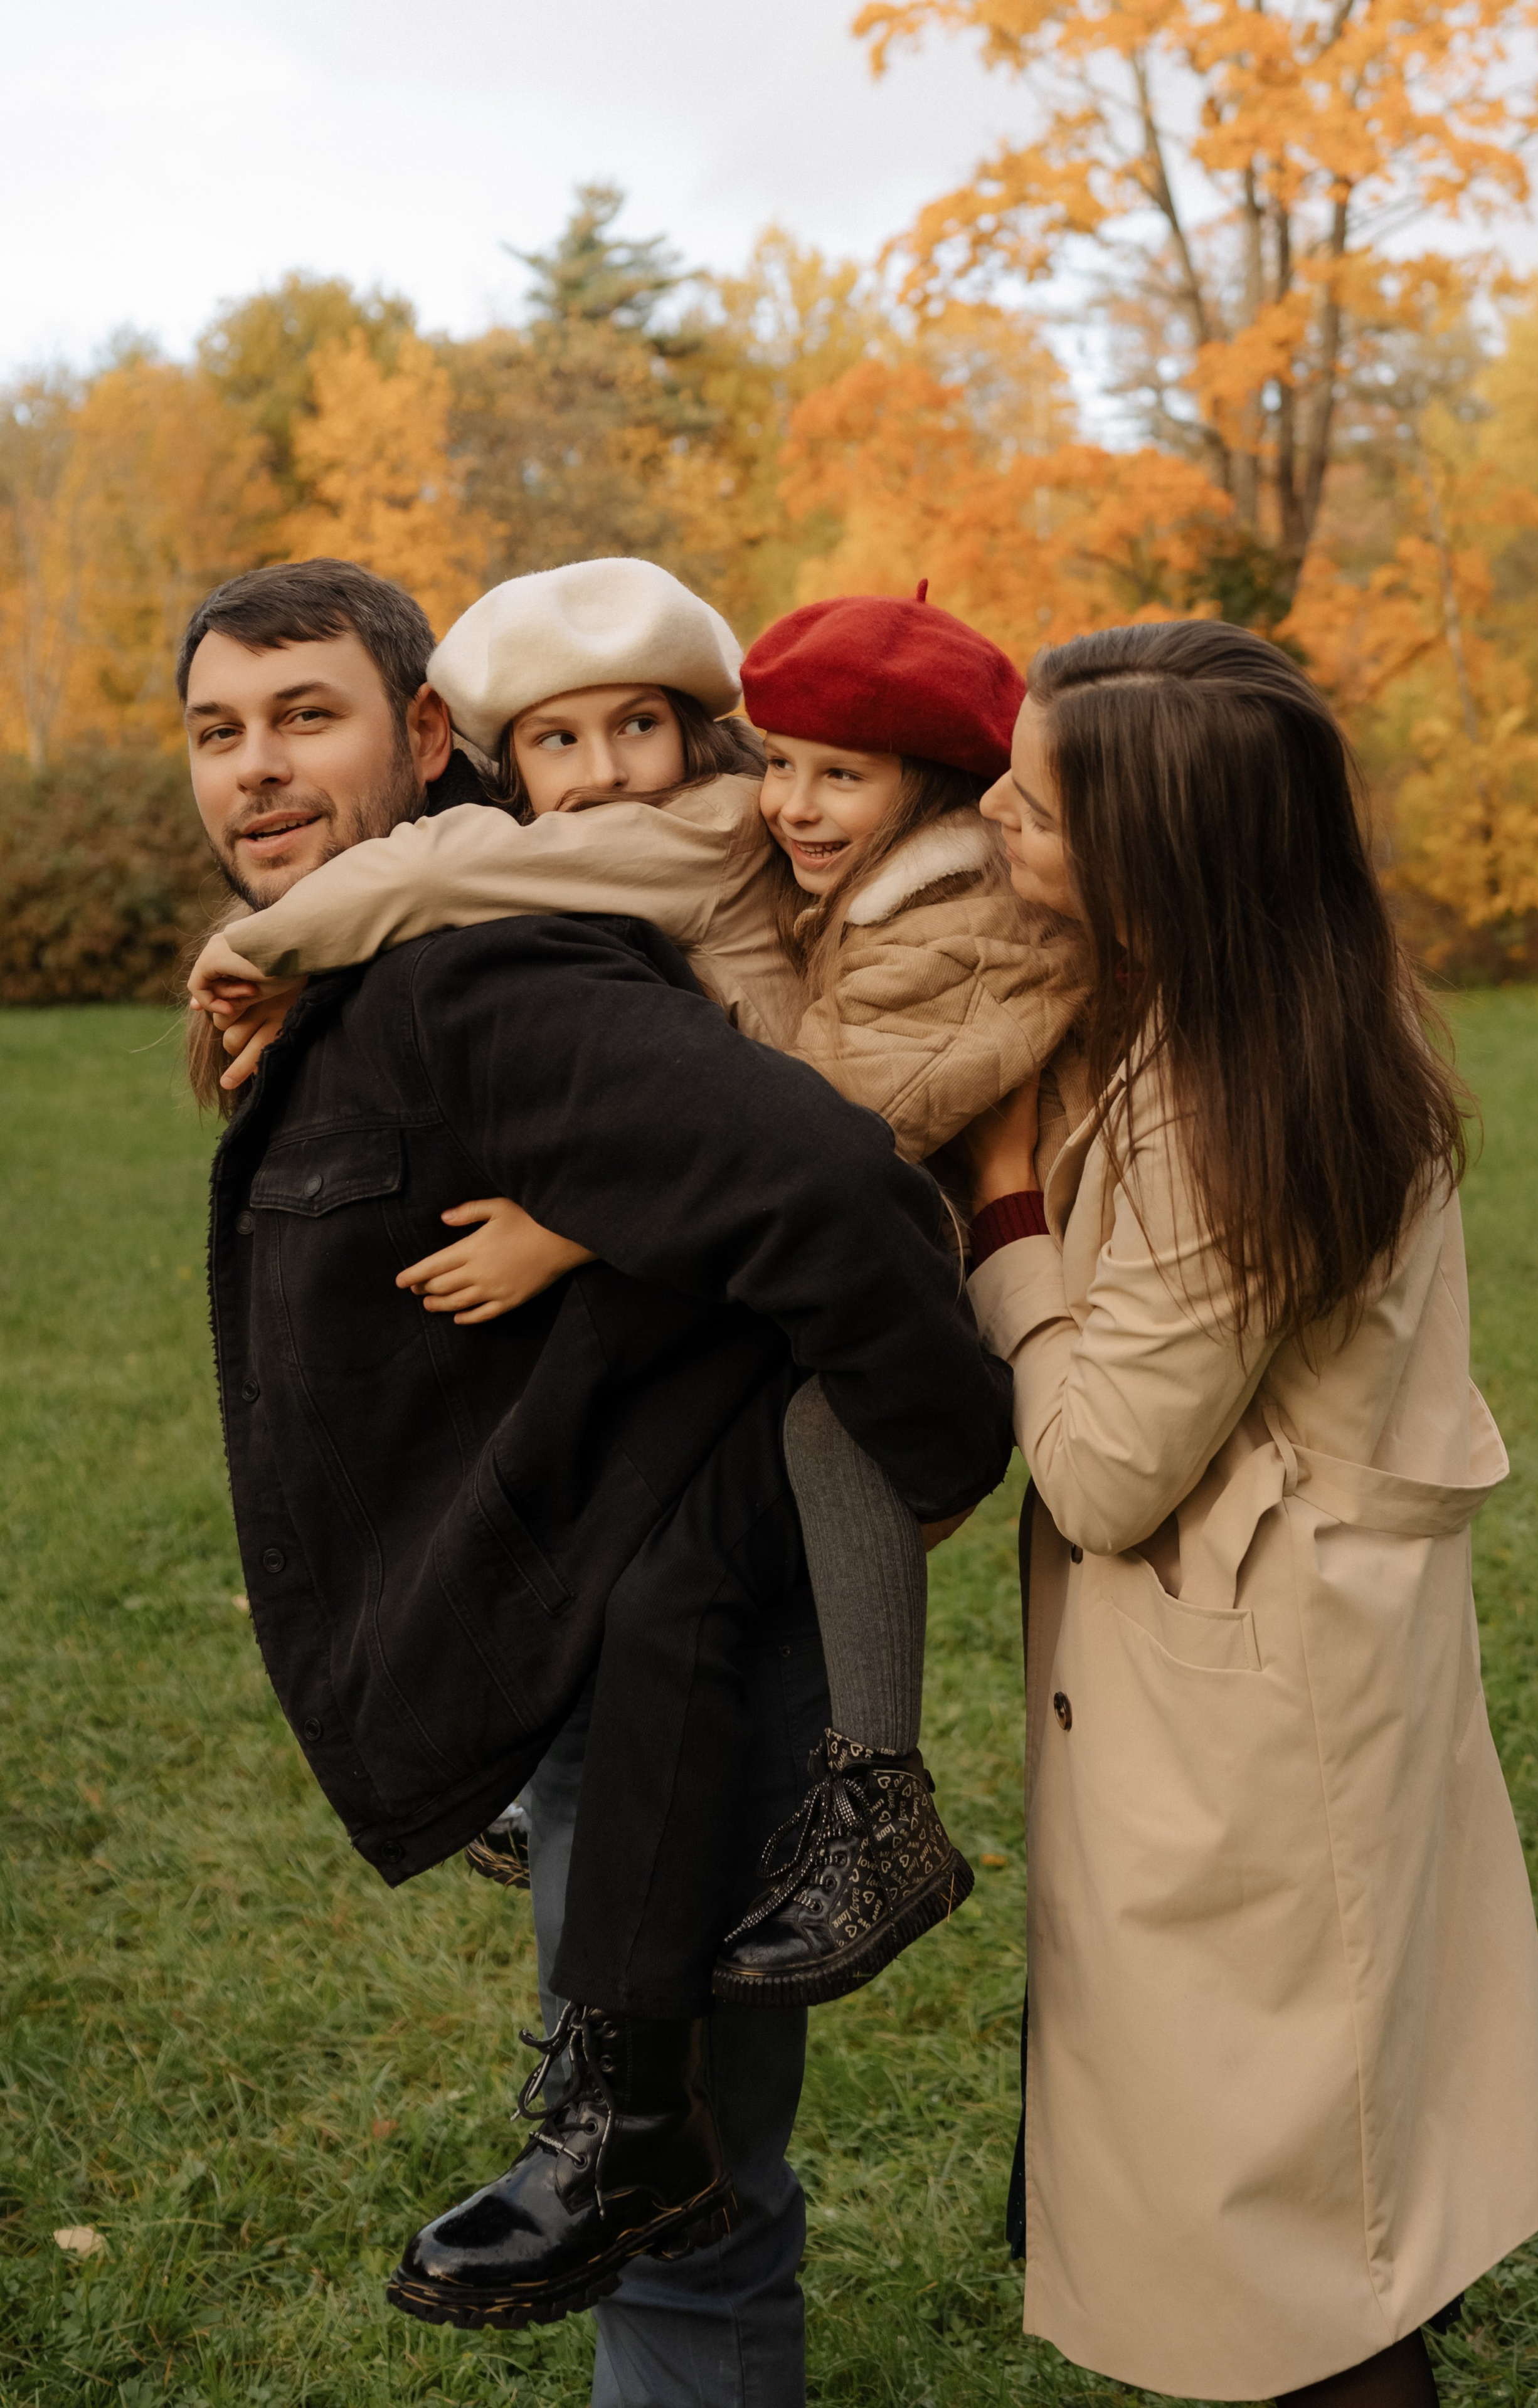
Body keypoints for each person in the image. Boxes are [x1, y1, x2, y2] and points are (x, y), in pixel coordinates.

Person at [177, 556, 1014, 2387]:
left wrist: (939, 1453)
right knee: (663, 2173)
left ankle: (849, 1842)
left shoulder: (501, 954)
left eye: (305, 718)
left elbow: (823, 1187)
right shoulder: (433, 932)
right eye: (217, 732)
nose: (255, 770)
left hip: (682, 1628)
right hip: (593, 1625)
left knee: (675, 2206)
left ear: (418, 736)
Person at [960, 619, 1538, 2406]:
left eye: (1036, 806)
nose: (992, 813)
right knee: (1314, 2170)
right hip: (1300, 1671)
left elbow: (1097, 1467)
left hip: (1248, 1716)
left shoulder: (1235, 1113)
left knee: (1287, 2243)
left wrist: (1004, 1218)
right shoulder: (1282, 1008)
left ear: (1161, 869)